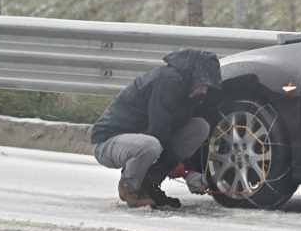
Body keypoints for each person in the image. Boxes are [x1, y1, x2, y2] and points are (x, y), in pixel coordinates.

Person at [90, 49, 221, 208]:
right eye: (204, 84)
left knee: (200, 127)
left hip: (142, 139)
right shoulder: (167, 81)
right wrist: (180, 169)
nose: (204, 91)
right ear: (195, 75)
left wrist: (192, 170)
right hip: (108, 142)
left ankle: (148, 184)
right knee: (151, 145)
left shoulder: (188, 91)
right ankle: (129, 187)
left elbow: (173, 134)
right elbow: (159, 130)